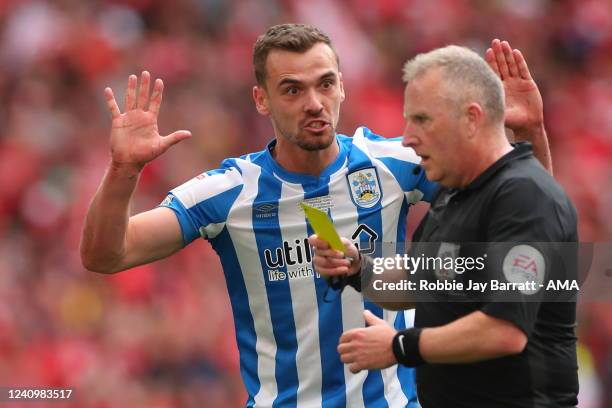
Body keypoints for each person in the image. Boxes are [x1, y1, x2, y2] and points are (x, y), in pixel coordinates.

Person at [80, 23, 550, 407]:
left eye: (325, 84)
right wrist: (124, 170)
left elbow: (528, 225)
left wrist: (529, 132)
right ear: (262, 100)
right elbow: (106, 255)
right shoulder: (229, 192)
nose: (314, 103)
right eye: (292, 89)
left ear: (342, 86)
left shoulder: (394, 164)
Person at [310, 45, 578, 407]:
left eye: (422, 119)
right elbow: (422, 284)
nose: (406, 137)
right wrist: (359, 267)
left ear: (471, 118)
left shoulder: (523, 194)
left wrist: (398, 345)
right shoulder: (457, 194)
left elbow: (505, 330)